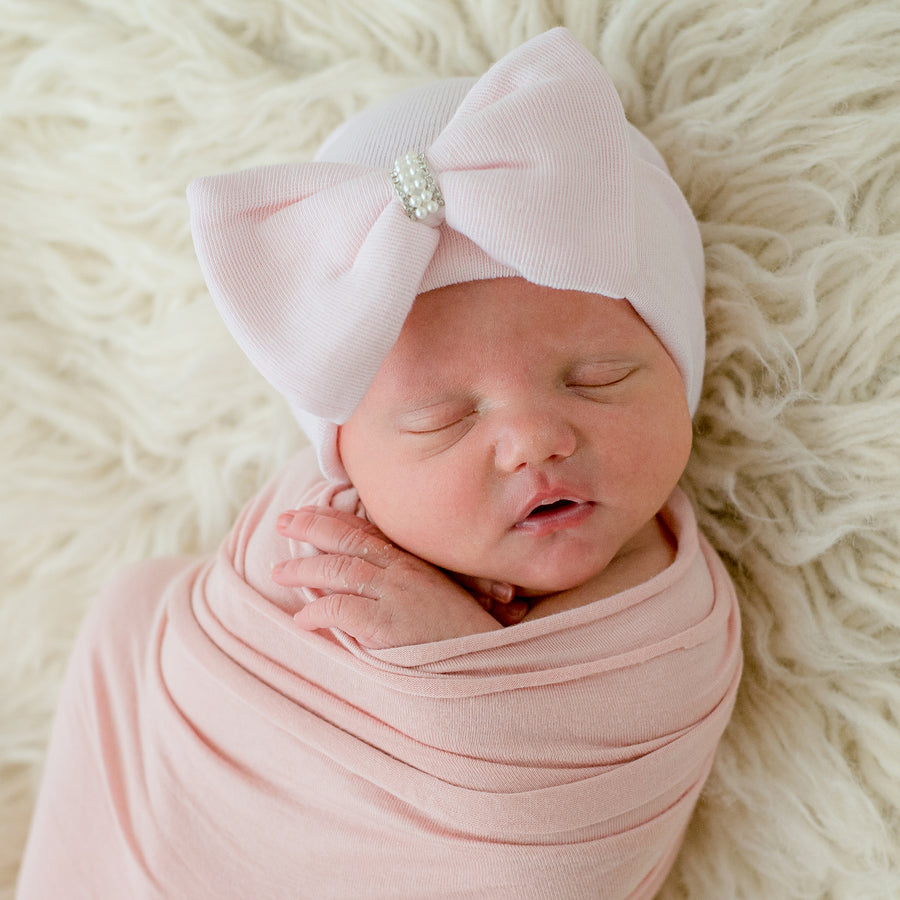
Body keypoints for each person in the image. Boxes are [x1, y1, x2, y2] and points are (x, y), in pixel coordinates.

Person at [18, 28, 741, 900]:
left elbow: (552, 856)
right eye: (441, 421)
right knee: (132, 615)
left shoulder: (674, 619)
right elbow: (228, 672)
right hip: (196, 813)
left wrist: (456, 660)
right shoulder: (314, 531)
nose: (532, 441)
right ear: (348, 465)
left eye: (600, 379)